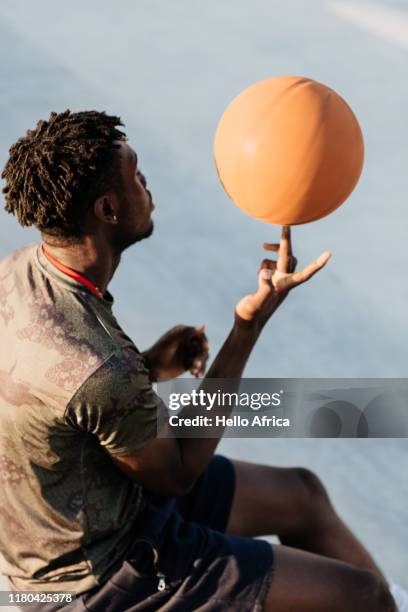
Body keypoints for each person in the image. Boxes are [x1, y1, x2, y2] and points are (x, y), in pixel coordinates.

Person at [0, 110, 396, 612]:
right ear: (108, 209)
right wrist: (246, 327)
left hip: (85, 506)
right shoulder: (97, 362)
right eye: (136, 176)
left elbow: (60, 399)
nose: (146, 183)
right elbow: (179, 470)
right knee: (363, 597)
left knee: (302, 495)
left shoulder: (18, 273)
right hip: (95, 580)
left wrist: (147, 366)